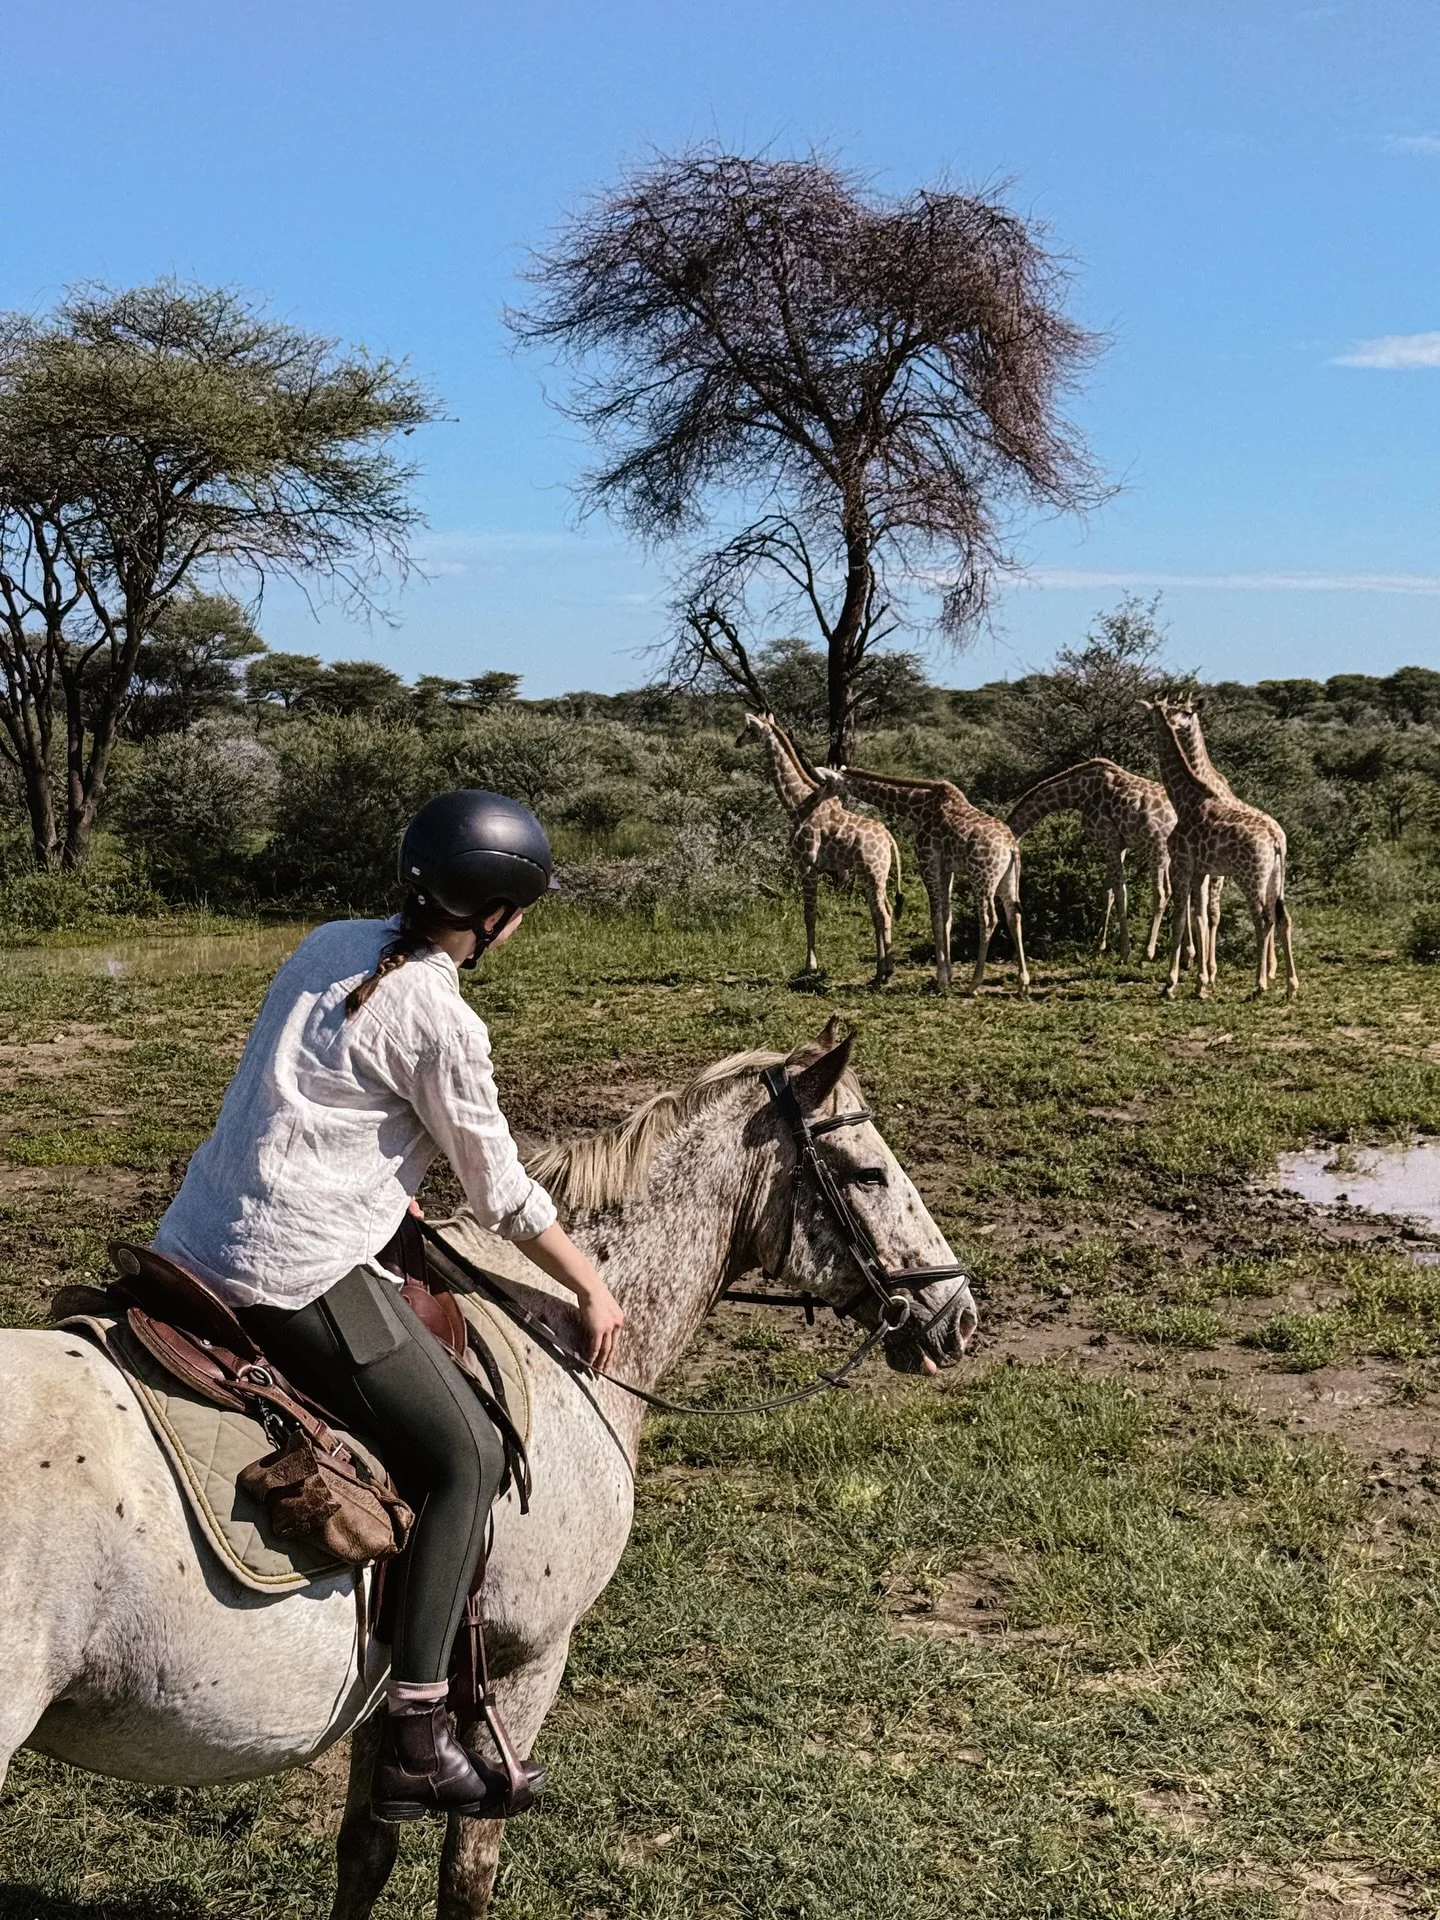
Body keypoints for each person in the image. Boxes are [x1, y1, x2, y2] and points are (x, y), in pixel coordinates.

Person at [152, 789, 624, 1821]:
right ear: (494, 914)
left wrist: (383, 1169)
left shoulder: (330, 942)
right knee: (470, 1456)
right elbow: (501, 1195)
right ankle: (415, 1733)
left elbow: (306, 1089)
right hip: (293, 1268)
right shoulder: (442, 1018)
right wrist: (588, 1284)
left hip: (193, 1237)